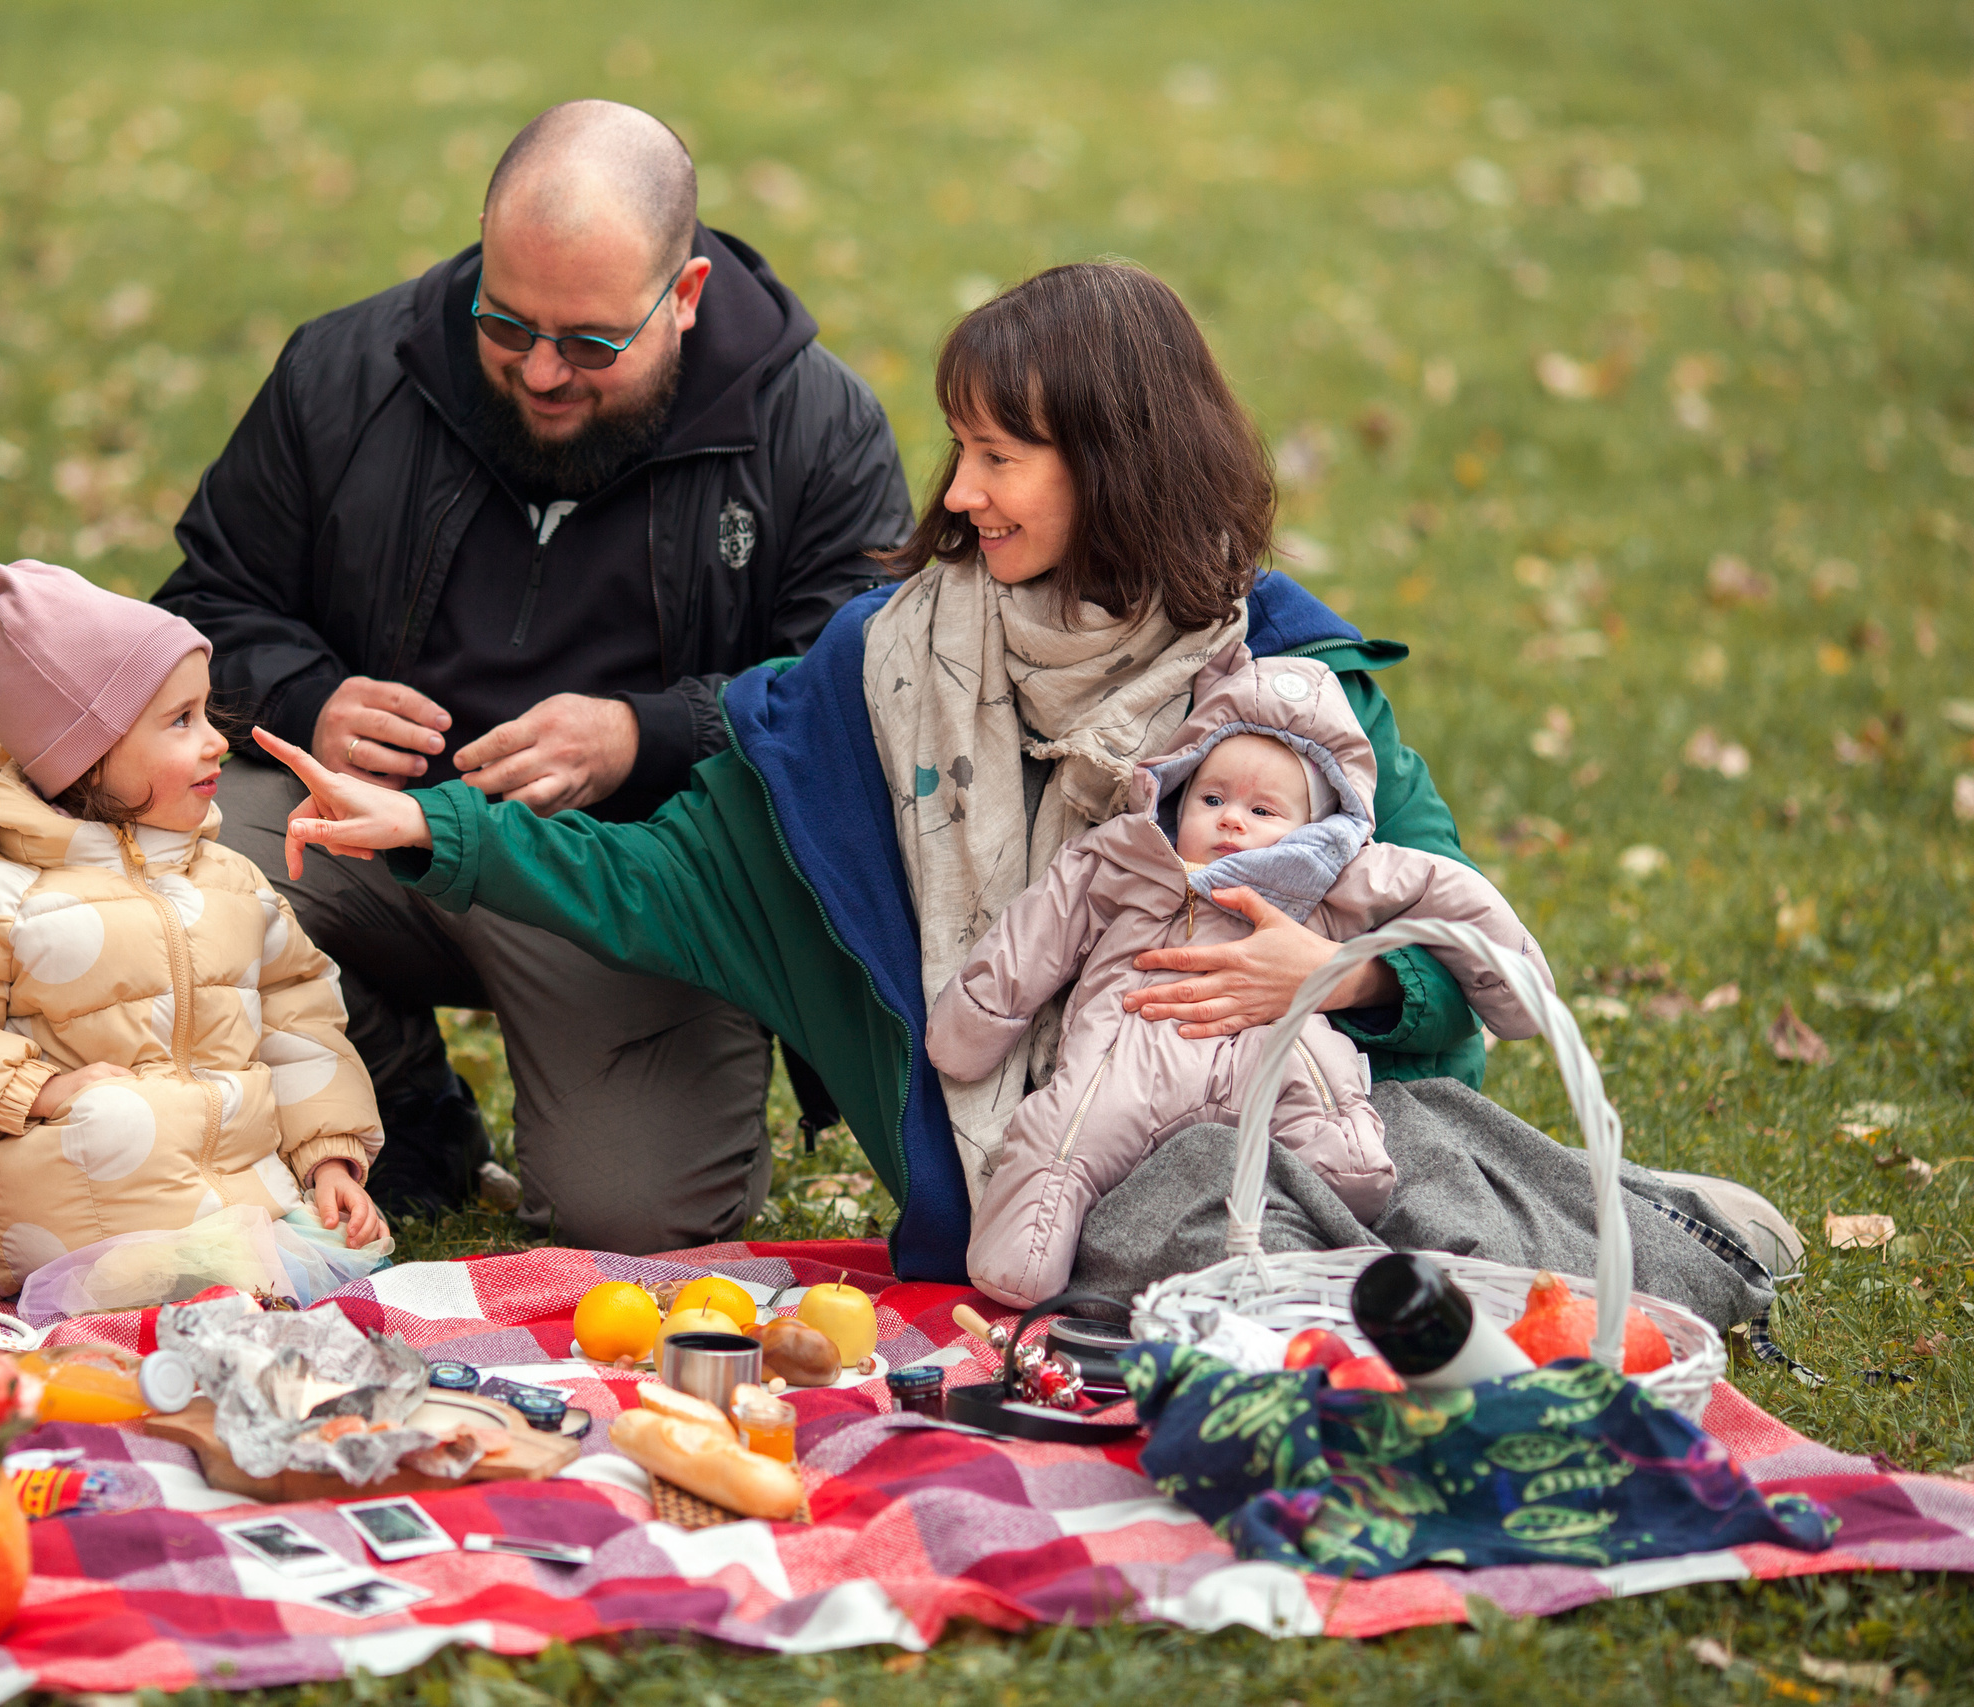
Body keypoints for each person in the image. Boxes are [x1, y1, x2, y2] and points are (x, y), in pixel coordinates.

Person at [253, 260, 1788, 1330]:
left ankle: (1648, 1236)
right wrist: (438, 831)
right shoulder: (875, 674)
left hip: (1271, 1113)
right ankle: (1536, 1265)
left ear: (1116, 462)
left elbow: (1460, 975)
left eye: (1000, 453)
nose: (963, 491)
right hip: (1032, 1183)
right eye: (962, 447)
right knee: (1182, 1243)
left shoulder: (1294, 684)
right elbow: (674, 878)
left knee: (1384, 1172)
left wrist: (1328, 969)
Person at [152, 99, 912, 1245]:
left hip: (628, 879)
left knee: (639, 1211)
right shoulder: (346, 371)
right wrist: (313, 695)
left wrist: (643, 736)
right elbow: (202, 608)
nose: (543, 372)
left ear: (687, 296)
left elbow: (854, 700)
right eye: (505, 326)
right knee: (152, 866)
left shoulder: (813, 428)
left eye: (591, 344)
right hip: (362, 829)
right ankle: (399, 1101)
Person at [929, 646, 1556, 1307]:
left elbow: (1447, 892)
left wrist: (1510, 981)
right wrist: (978, 1012)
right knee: (1065, 1134)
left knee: (1329, 1112)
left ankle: (1339, 1173)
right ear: (1178, 789)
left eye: (1263, 812)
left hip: (1273, 1048)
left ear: (1315, 826)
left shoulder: (1334, 876)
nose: (1231, 819)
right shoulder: (1133, 859)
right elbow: (1044, 925)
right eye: (1213, 797)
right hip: (1134, 1051)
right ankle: (1026, 1258)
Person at [0, 559, 387, 1304]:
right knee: (121, 1126)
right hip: (75, 1228)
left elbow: (301, 1021)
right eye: (180, 721)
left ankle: (242, 1267)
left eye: (206, 712)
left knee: (338, 1269)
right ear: (88, 753)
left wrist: (328, 1156)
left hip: (241, 1203)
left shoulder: (230, 883)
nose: (216, 742)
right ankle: (164, 1287)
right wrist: (35, 1088)